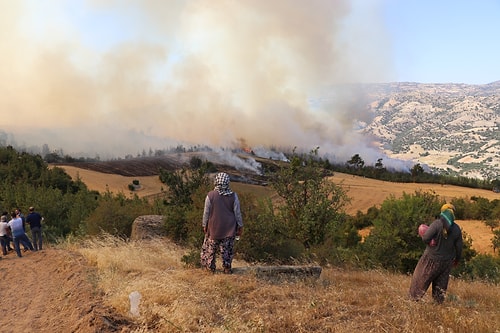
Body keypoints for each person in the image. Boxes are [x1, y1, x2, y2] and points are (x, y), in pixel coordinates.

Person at [409, 203, 463, 304]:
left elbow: (425, 238)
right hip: (446, 262)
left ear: (442, 212)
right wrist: (457, 260)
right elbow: (459, 248)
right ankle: (437, 307)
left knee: (419, 282)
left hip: (430, 259)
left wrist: (430, 241)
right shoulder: (456, 229)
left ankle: (412, 303)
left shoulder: (436, 224)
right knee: (440, 288)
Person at [200, 172, 243, 274]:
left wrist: (204, 225)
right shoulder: (233, 196)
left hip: (213, 228)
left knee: (211, 250)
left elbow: (206, 213)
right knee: (227, 250)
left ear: (216, 182)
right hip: (229, 228)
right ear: (227, 182)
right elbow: (237, 213)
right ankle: (227, 269)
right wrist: (240, 226)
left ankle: (210, 269)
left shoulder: (210, 196)